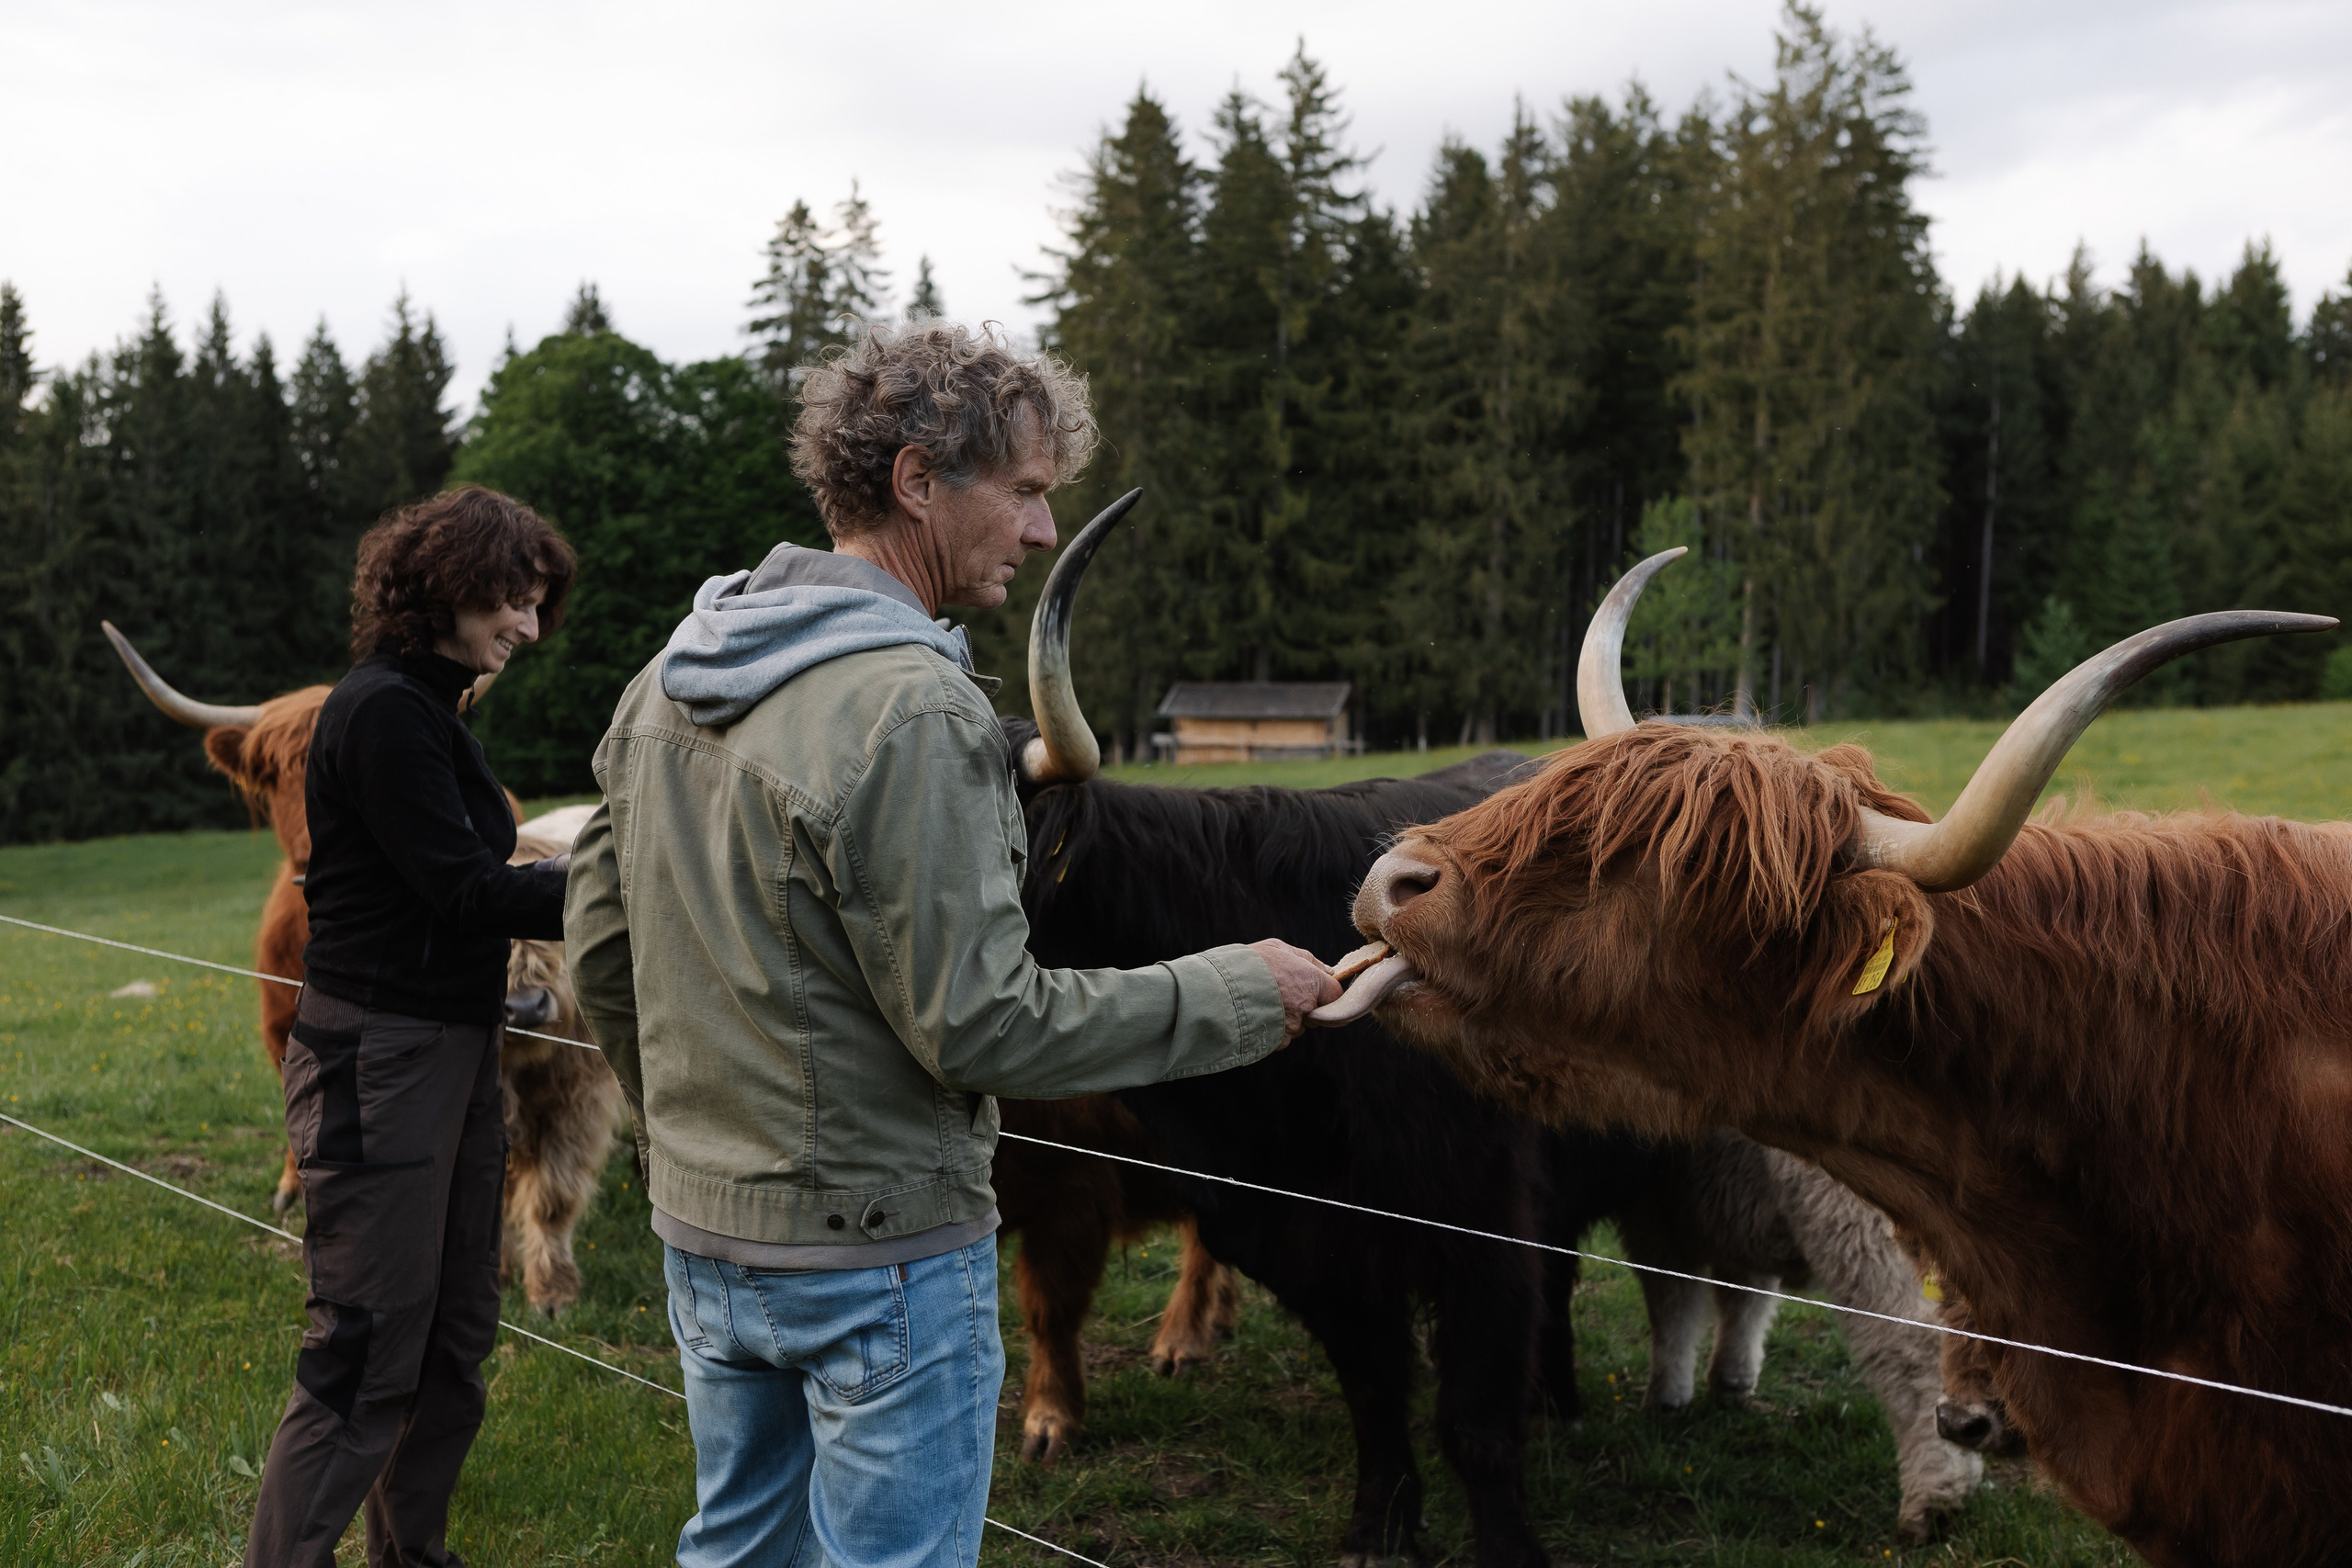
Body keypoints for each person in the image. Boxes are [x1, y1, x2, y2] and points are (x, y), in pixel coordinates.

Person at [563, 321, 1340, 1568]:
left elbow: (601, 946)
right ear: (919, 481)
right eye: (1026, 492)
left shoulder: (666, 676)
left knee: (739, 1547)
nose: (1039, 531)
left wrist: (695, 1142)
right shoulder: (913, 707)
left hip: (706, 1234)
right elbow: (983, 1023)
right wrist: (1235, 989)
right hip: (878, 1253)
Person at [247, 486, 577, 1568]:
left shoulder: (433, 707)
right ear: (448, 586)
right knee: (365, 1347)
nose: (528, 630)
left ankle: (412, 1558)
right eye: (513, 603)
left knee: (451, 1338)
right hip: (378, 1059)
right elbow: (466, 890)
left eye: (536, 608)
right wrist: (621, 888)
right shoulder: (384, 708)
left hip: (450, 1049)